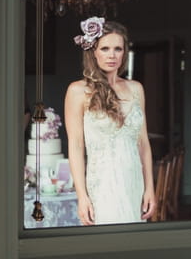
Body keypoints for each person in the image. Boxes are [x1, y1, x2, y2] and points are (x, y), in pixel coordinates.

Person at [64, 17, 155, 225]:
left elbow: (143, 145)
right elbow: (76, 147)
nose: (112, 55)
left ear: (125, 52)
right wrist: (82, 196)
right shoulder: (78, 91)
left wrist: (150, 187)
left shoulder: (136, 89)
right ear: (93, 52)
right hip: (102, 186)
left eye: (118, 49)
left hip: (134, 184)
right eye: (105, 49)